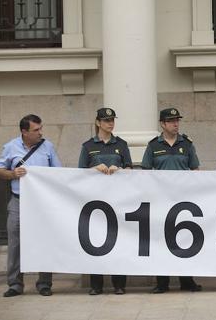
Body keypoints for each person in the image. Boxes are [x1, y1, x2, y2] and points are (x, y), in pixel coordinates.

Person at [0, 114, 62, 297]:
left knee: (44, 241)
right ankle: (15, 284)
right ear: (24, 132)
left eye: (41, 128)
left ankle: (45, 283)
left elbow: (58, 172)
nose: (41, 132)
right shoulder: (10, 147)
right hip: (18, 201)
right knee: (15, 243)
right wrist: (13, 174)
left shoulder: (48, 147)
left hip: (41, 204)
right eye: (36, 130)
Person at [141, 107, 202, 294]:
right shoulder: (153, 146)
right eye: (171, 120)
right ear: (163, 124)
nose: (176, 123)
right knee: (161, 241)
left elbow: (195, 171)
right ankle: (162, 282)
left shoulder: (187, 144)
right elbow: (145, 173)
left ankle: (187, 280)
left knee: (185, 241)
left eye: (177, 120)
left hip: (183, 202)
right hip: (161, 202)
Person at [78, 108, 132, 295]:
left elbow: (130, 169)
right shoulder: (87, 146)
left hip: (118, 200)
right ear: (98, 122)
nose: (110, 123)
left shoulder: (122, 144)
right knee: (95, 241)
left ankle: (119, 284)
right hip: (95, 201)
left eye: (112, 120)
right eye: (106, 120)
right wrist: (94, 169)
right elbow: (79, 174)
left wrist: (120, 169)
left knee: (119, 241)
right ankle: (96, 285)